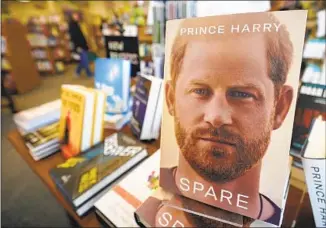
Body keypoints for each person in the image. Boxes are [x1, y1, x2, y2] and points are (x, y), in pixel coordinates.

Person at [160, 12, 294, 225]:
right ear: (170, 98)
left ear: (280, 108)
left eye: (242, 94)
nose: (216, 117)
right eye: (199, 91)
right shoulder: (149, 192)